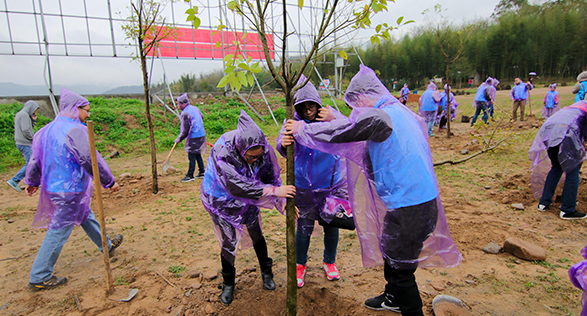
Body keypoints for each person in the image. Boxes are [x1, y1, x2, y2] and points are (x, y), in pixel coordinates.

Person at [285, 65, 462, 315]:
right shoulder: (398, 114)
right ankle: (392, 298)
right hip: (418, 202)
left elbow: (348, 132)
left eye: (355, 105)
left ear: (363, 97)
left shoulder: (380, 116)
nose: (355, 110)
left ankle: (409, 307)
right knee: (393, 255)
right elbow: (362, 142)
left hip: (410, 207)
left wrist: (305, 129)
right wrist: (335, 120)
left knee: (402, 271)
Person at [24, 88, 123, 290]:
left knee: (86, 215)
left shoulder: (47, 129)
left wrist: (32, 180)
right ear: (75, 108)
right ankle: (40, 274)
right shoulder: (74, 130)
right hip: (70, 188)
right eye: (86, 110)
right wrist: (109, 181)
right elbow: (89, 158)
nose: (88, 114)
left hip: (54, 187)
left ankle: (107, 245)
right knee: (59, 229)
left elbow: (35, 158)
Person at [200, 110, 296, 305]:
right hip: (221, 201)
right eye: (250, 157)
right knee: (228, 241)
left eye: (257, 156)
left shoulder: (263, 151)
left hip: (251, 197)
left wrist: (282, 201)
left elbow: (271, 178)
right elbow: (235, 185)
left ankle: (266, 272)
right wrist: (273, 191)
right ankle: (228, 283)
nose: (254, 160)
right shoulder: (222, 151)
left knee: (256, 233)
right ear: (240, 148)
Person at [276, 75, 347, 288]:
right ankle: (300, 264)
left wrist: (334, 118)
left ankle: (329, 261)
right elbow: (282, 143)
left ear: (318, 103)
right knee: (303, 227)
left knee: (331, 226)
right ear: (297, 106)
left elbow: (351, 129)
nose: (308, 110)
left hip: (330, 185)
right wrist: (284, 142)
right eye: (303, 106)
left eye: (312, 105)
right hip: (304, 187)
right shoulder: (292, 122)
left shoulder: (330, 116)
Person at [529, 100, 587, 220]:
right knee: (573, 172)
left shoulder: (578, 105)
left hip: (549, 132)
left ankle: (544, 202)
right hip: (567, 134)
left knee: (556, 167)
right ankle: (568, 209)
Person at [7, 101, 40, 192]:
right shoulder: (24, 115)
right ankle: (15, 180)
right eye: (34, 110)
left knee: (32, 162)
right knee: (31, 163)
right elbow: (26, 130)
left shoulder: (20, 114)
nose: (35, 112)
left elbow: (28, 127)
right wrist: (34, 139)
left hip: (20, 142)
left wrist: (33, 120)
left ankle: (30, 181)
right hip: (25, 143)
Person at [174, 93, 206, 182]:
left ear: (182, 103)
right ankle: (202, 172)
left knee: (191, 155)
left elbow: (185, 130)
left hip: (194, 136)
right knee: (197, 153)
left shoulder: (185, 113)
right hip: (201, 134)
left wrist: (178, 139)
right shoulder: (195, 108)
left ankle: (190, 175)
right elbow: (202, 117)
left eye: (178, 104)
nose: (177, 105)